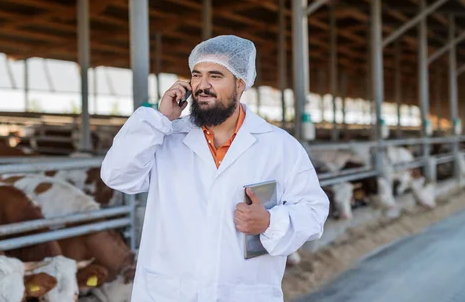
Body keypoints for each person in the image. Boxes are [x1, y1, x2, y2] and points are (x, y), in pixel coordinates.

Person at [101, 35, 329, 302]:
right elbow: (117, 175)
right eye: (196, 75)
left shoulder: (280, 147)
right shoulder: (165, 137)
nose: (202, 85)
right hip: (169, 292)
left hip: (242, 293)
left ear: (240, 84)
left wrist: (270, 222)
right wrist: (158, 120)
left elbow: (313, 213)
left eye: (216, 76)